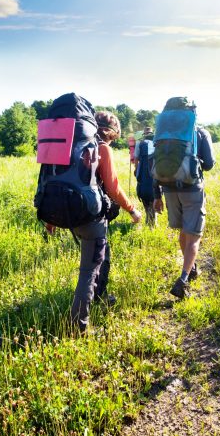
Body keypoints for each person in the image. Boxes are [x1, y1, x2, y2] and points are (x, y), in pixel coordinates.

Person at [46, 110, 143, 333]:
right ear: (111, 132)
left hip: (69, 213)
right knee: (88, 270)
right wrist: (132, 210)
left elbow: (53, 181)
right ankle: (78, 325)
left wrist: (51, 220)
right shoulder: (102, 148)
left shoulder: (70, 145)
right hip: (91, 217)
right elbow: (113, 187)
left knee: (102, 255)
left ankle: (100, 296)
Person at [153, 101, 215, 300]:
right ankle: (183, 278)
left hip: (168, 189)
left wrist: (156, 196)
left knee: (183, 231)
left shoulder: (162, 134)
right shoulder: (200, 132)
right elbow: (210, 164)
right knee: (194, 235)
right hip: (192, 188)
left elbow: (155, 163)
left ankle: (192, 267)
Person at [133, 127, 156, 226]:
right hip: (154, 171)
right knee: (154, 192)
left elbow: (136, 158)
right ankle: (152, 219)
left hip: (143, 171)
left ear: (144, 134)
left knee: (144, 192)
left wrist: (136, 170)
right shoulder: (156, 141)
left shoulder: (140, 143)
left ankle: (149, 217)